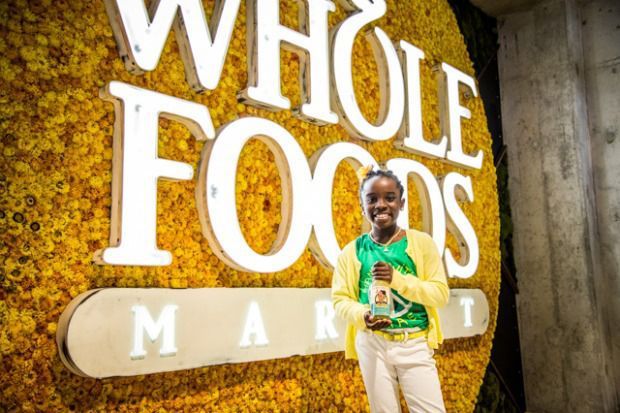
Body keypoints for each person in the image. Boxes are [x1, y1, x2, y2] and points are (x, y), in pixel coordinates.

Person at [331, 166, 449, 413]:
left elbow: (440, 293)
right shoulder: (351, 252)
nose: (381, 205)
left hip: (414, 341)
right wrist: (363, 315)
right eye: (372, 199)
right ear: (363, 206)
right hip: (372, 343)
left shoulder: (421, 243)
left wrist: (397, 279)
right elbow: (340, 300)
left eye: (389, 198)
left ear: (401, 203)